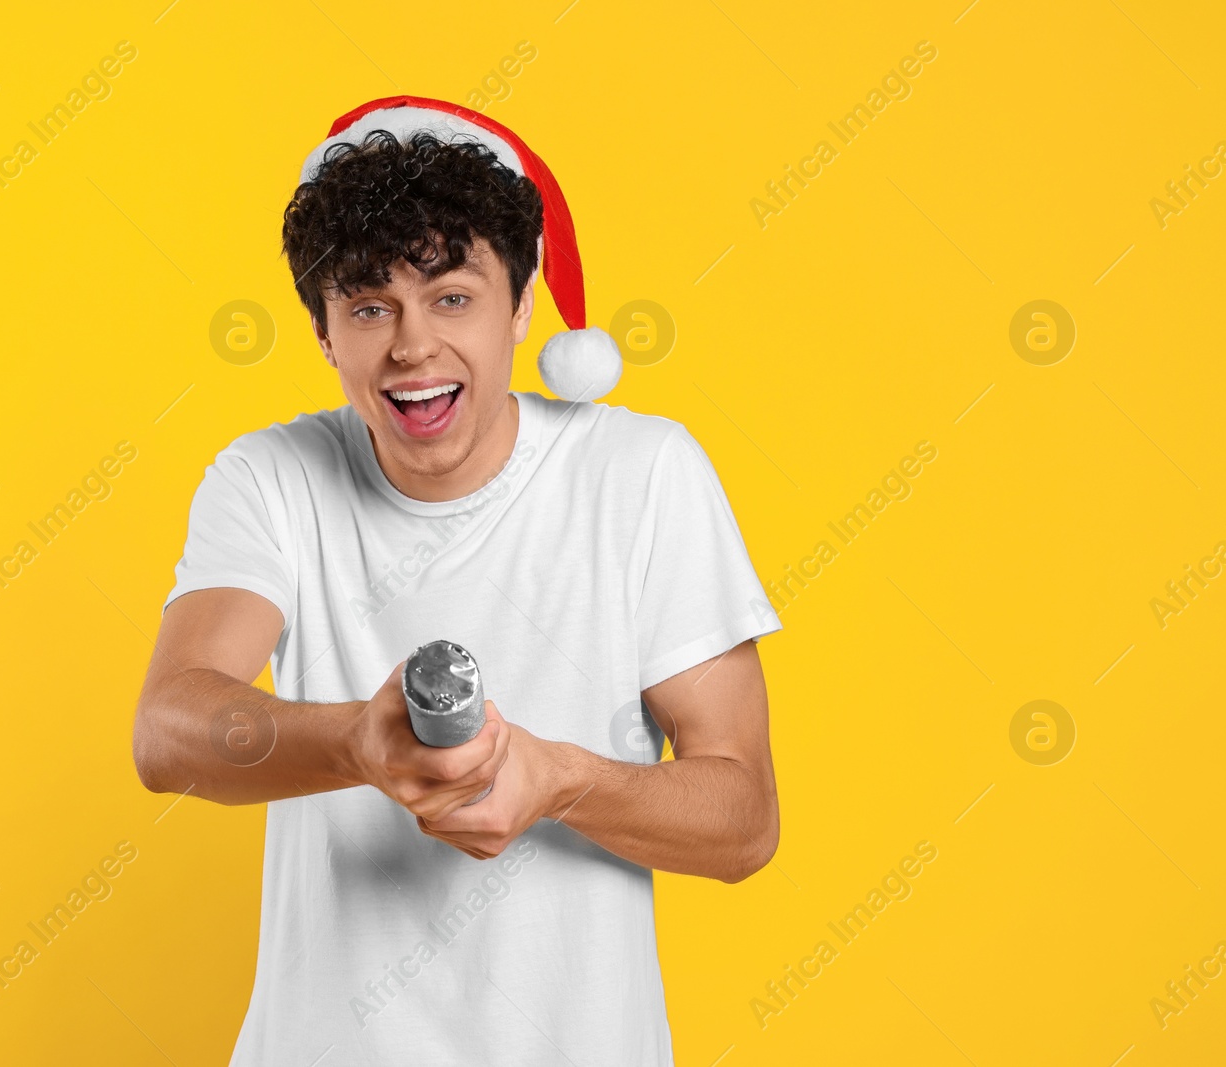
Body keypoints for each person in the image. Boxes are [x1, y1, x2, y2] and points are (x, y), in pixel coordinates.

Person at [133, 96, 782, 1066]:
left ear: (519, 305)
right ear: (324, 332)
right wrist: (358, 740)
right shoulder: (269, 477)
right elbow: (169, 729)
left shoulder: (641, 471)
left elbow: (741, 821)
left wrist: (563, 780)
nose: (410, 345)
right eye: (367, 306)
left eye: (450, 296)